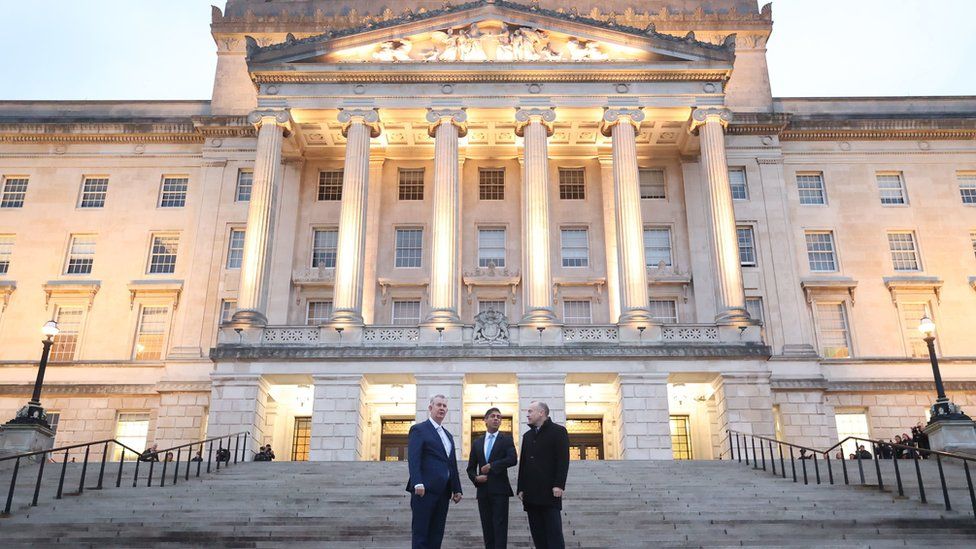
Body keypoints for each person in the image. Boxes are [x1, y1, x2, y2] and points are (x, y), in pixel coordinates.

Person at [406, 395, 463, 549]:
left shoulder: (448, 435)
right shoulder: (419, 429)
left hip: (443, 492)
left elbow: (451, 463)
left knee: (436, 535)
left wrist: (456, 488)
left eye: (445, 406)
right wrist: (417, 481)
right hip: (424, 490)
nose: (442, 408)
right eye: (439, 405)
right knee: (421, 534)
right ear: (430, 408)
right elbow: (414, 458)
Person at [517, 401, 570, 549]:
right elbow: (524, 464)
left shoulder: (558, 431)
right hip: (531, 495)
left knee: (554, 536)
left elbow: (563, 460)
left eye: (530, 411)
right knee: (538, 537)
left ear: (541, 413)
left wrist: (559, 484)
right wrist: (521, 487)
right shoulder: (527, 436)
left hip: (550, 494)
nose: (527, 415)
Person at [466, 407, 517, 549]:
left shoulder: (506, 439)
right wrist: (476, 478)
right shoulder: (477, 442)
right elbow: (470, 468)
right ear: (485, 420)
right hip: (483, 491)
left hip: (500, 490)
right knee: (487, 527)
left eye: (499, 417)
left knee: (500, 527)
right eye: (493, 416)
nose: (496, 419)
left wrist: (492, 466)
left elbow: (513, 459)